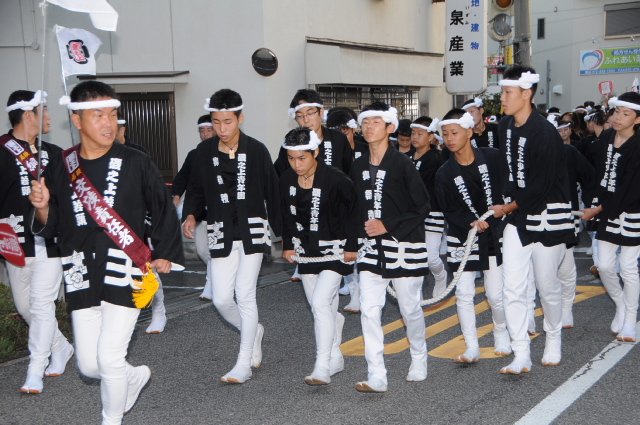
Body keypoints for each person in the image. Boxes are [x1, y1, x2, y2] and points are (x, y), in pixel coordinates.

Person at [29, 81, 184, 424]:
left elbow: (161, 206)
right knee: (90, 365)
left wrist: (164, 252)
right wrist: (41, 208)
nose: (108, 123)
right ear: (77, 120)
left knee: (110, 358)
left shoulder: (136, 160)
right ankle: (134, 377)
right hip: (80, 268)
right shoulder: (62, 165)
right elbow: (52, 225)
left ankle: (110, 419)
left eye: (112, 114)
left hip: (125, 264)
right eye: (98, 115)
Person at [183, 88, 281, 383]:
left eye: (228, 121)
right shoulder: (203, 152)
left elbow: (274, 193)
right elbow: (196, 188)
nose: (222, 129)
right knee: (221, 299)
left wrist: (286, 239)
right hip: (220, 229)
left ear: (240, 118)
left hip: (252, 231)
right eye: (216, 122)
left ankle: (243, 363)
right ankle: (254, 331)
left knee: (245, 295)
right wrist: (191, 214)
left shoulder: (257, 150)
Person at [490, 65, 576, 374]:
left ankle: (553, 338)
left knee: (547, 286)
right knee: (512, 287)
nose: (502, 98)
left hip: (548, 216)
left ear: (526, 94)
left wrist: (508, 207)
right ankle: (521, 353)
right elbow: (506, 170)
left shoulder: (545, 133)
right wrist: (504, 202)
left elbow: (542, 185)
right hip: (517, 217)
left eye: (507, 92)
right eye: (502, 92)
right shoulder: (504, 125)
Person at [350, 101, 429, 393]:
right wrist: (351, 242)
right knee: (369, 309)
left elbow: (422, 206)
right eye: (365, 122)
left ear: (390, 127)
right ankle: (377, 374)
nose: (369, 127)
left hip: (404, 244)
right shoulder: (357, 164)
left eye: (375, 122)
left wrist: (388, 225)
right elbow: (354, 208)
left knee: (409, 308)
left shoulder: (403, 164)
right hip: (371, 248)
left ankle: (419, 356)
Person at [1, 90, 73, 394]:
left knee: (42, 306)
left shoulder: (55, 153)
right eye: (44, 110)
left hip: (49, 241)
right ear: (28, 115)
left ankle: (35, 369)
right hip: (15, 244)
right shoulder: (2, 150)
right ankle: (62, 347)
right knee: (26, 307)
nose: (49, 117)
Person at [280, 127, 357, 385]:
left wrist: (352, 245)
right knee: (321, 307)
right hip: (306, 253)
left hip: (335, 250)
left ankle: (321, 365)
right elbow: (286, 215)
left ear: (316, 152)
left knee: (321, 303)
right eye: (291, 158)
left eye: (302, 158)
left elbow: (353, 213)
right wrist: (288, 244)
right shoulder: (286, 180)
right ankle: (335, 355)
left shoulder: (336, 180)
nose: (296, 164)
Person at [435, 109, 511, 362]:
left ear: (469, 132)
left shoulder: (493, 157)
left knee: (495, 294)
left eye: (454, 132)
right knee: (464, 293)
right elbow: (449, 209)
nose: (449, 138)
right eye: (445, 134)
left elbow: (507, 188)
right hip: (462, 235)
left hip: (494, 233)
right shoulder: (444, 172)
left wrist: (502, 212)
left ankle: (501, 332)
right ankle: (471, 346)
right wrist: (470, 223)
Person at [581, 92, 640, 342]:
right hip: (605, 209)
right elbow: (599, 175)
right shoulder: (606, 137)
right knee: (604, 265)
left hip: (633, 211)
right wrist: (594, 203)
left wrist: (597, 209)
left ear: (637, 119)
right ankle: (621, 305)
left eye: (626, 114)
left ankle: (630, 320)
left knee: (628, 267)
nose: (618, 117)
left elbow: (630, 187)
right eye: (616, 112)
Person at [326, 107, 367, 312]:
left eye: (345, 129)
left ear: (353, 128)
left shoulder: (364, 148)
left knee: (360, 247)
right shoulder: (329, 150)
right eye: (336, 130)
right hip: (341, 204)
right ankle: (352, 287)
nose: (341, 134)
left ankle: (361, 290)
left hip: (363, 204)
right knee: (345, 247)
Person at [172, 114, 215, 301]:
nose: (205, 134)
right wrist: (176, 196)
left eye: (209, 130)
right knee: (202, 250)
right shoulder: (194, 154)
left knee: (218, 251)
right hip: (199, 211)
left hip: (220, 212)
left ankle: (211, 284)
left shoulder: (225, 153)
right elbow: (183, 176)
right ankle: (216, 278)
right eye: (202, 131)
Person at [408, 116, 448, 296]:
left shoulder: (436, 158)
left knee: (431, 257)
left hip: (433, 212)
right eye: (413, 133)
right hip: (411, 214)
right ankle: (415, 291)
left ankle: (440, 276)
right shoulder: (407, 157)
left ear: (431, 137)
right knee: (414, 256)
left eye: (420, 133)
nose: (415, 137)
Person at [274, 89, 353, 176]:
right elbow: (279, 175)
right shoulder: (290, 144)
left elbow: (349, 172)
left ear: (321, 112)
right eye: (300, 116)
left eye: (310, 113)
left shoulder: (338, 138)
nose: (306, 120)